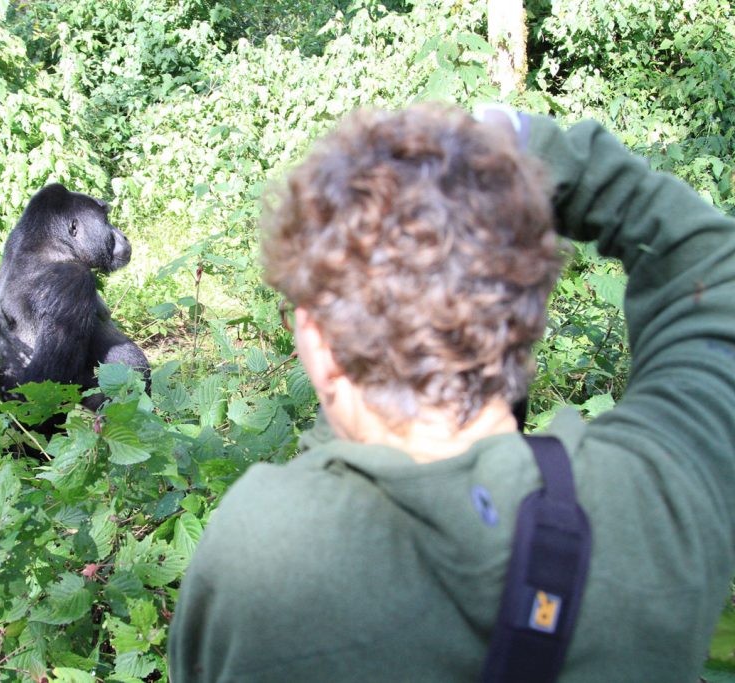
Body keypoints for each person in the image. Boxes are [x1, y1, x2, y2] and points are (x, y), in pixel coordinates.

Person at [167, 103, 735, 681]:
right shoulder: (661, 501)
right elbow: (716, 270)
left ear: (314, 340)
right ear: (525, 317)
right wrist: (527, 145)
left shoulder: (264, 558)